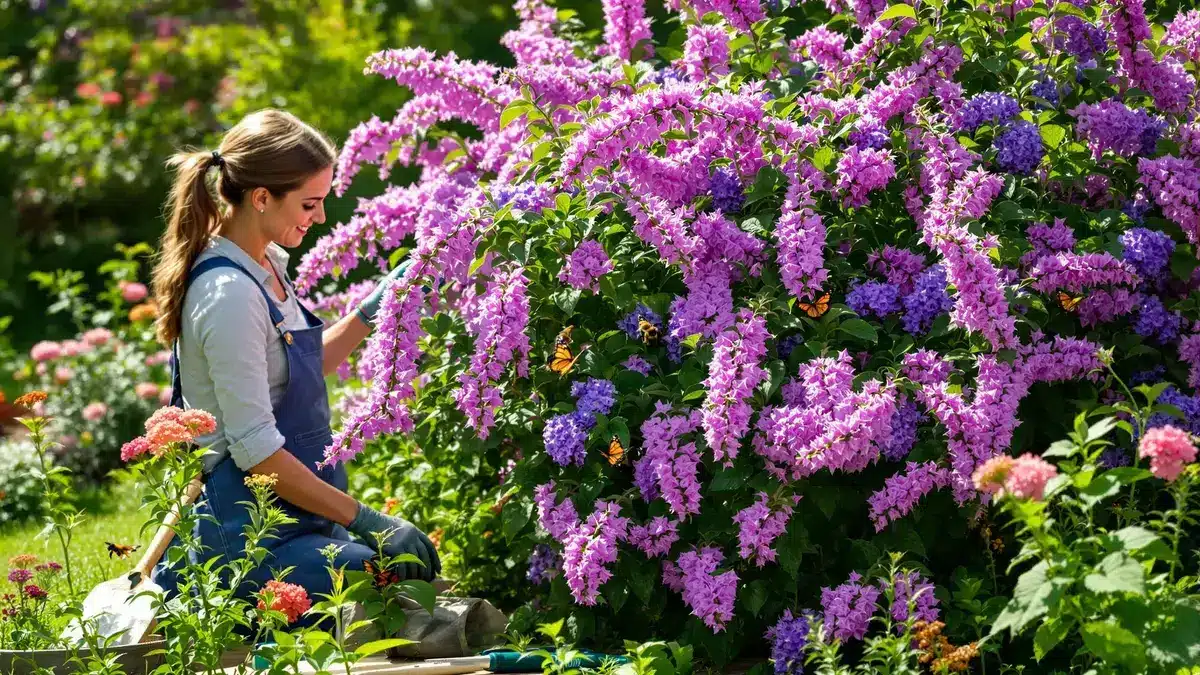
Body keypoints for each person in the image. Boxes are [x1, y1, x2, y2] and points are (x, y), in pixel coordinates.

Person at [148, 109, 438, 617]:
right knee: (397, 588)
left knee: (411, 581)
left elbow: (294, 371)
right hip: (249, 537)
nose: (320, 217)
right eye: (309, 203)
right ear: (262, 197)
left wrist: (374, 309)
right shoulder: (228, 294)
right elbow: (257, 451)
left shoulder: (264, 266)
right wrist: (368, 520)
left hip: (293, 517)